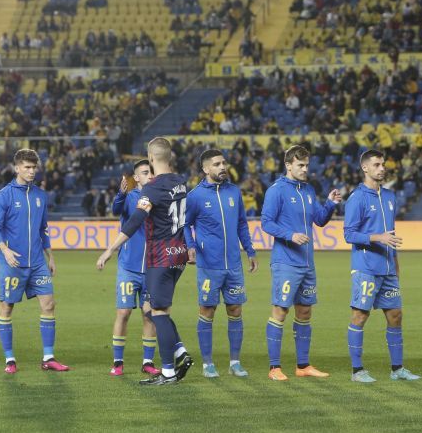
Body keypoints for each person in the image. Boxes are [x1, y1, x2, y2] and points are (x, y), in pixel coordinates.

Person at [96, 138, 192, 386]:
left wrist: (109, 250)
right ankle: (180, 351)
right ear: (169, 157)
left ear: (151, 158)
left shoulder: (151, 190)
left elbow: (134, 221)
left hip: (160, 255)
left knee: (156, 312)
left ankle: (169, 371)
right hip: (179, 254)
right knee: (158, 309)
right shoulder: (181, 182)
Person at [261, 145, 341, 381]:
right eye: (300, 165)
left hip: (307, 263)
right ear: (288, 165)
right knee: (280, 310)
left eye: (307, 165)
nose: (305, 169)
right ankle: (274, 367)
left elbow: (319, 220)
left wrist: (330, 204)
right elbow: (266, 223)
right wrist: (290, 234)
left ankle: (303, 365)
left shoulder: (308, 190)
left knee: (305, 312)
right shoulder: (276, 191)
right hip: (286, 262)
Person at [344, 149, 420, 383]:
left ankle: (397, 369)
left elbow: (391, 234)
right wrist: (378, 238)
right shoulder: (357, 198)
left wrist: (395, 262)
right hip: (366, 266)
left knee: (395, 315)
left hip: (388, 268)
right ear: (365, 168)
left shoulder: (389, 197)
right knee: (360, 315)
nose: (382, 168)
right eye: (376, 165)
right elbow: (349, 234)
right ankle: (357, 371)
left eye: (383, 164)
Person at [0, 149, 68, 373]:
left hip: (37, 263)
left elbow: (43, 228)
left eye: (34, 167)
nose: (31, 171)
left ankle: (48, 357)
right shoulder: (4, 195)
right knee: (6, 308)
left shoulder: (40, 195)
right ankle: (9, 359)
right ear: (16, 168)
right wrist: (4, 250)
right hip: (12, 262)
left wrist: (50, 255)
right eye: (27, 167)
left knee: (49, 304)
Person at [184, 149, 258, 378]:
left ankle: (235, 363)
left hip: (233, 265)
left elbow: (242, 225)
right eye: (216, 164)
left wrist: (250, 250)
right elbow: (186, 225)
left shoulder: (234, 192)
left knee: (235, 310)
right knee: (207, 311)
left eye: (223, 162)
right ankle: (207, 363)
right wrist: (191, 246)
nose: (222, 167)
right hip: (209, 265)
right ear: (206, 169)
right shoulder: (195, 196)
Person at [108, 160, 160, 377]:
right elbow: (115, 210)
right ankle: (118, 361)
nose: (150, 176)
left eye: (151, 172)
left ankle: (147, 362)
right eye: (145, 173)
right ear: (136, 178)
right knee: (124, 312)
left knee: (149, 315)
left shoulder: (159, 198)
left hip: (152, 267)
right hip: (129, 266)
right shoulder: (130, 198)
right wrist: (120, 194)